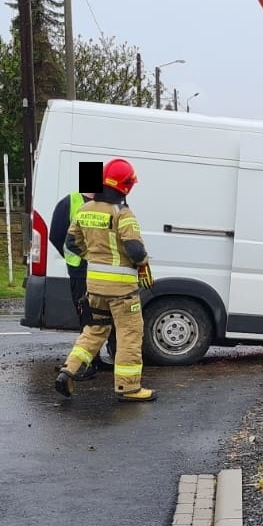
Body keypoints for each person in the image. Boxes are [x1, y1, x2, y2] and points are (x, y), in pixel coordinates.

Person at [54, 158, 157, 402]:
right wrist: (143, 262)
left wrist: (93, 257)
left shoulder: (84, 210)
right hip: (122, 291)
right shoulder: (122, 213)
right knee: (129, 335)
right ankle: (129, 388)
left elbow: (70, 243)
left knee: (94, 330)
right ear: (127, 186)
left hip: (94, 287)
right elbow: (135, 251)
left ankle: (69, 370)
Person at [48, 185, 111, 376]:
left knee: (102, 315)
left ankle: (97, 360)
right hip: (81, 271)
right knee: (87, 315)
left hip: (103, 271)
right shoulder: (70, 202)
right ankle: (86, 364)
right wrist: (74, 257)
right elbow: (57, 235)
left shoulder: (107, 202)